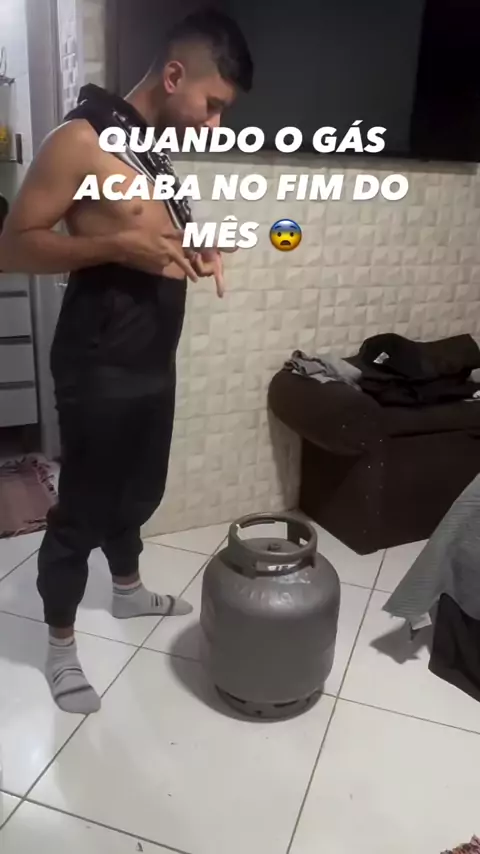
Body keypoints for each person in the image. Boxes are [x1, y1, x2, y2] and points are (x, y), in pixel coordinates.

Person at [0, 9, 253, 714]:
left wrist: (197, 247)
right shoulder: (79, 140)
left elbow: (152, 237)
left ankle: (127, 588)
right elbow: (13, 245)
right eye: (213, 105)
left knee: (139, 490)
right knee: (83, 507)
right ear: (173, 75)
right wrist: (113, 248)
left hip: (152, 356)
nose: (215, 125)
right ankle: (59, 647)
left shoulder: (151, 153)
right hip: (98, 359)